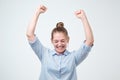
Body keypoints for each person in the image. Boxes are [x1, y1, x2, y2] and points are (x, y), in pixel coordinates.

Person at [26, 5, 94, 80]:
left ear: (68, 40)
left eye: (62, 41)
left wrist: (83, 18)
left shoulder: (73, 57)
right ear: (51, 41)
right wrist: (37, 13)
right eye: (56, 41)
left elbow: (89, 41)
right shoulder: (44, 54)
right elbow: (29, 34)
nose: (59, 44)